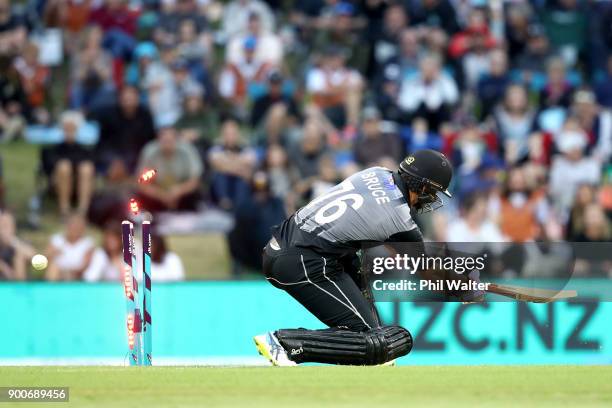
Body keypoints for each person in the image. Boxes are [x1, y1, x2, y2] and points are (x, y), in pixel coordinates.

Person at [253, 149, 479, 366]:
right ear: (421, 186)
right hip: (303, 260)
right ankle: (285, 344)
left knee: (376, 335)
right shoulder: (399, 218)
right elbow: (425, 269)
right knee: (367, 338)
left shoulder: (376, 172)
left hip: (289, 245)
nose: (431, 200)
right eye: (432, 193)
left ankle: (374, 352)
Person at [136, 126, 204, 212]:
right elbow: (142, 183)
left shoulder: (187, 150)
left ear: (177, 140)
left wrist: (179, 191)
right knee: (140, 197)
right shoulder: (149, 151)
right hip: (158, 193)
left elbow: (195, 180)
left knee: (196, 194)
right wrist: (161, 195)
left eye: (170, 141)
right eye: (164, 141)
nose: (167, 144)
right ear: (158, 140)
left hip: (182, 192)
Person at [47, 111, 95, 216]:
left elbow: (90, 164)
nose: (69, 132)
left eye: (72, 129)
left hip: (80, 180)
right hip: (58, 181)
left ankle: (83, 209)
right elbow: (49, 167)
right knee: (64, 167)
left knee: (86, 168)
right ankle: (64, 208)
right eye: (66, 129)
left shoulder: (84, 149)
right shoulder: (54, 149)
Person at [46, 213, 95, 281]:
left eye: (78, 226)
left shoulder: (87, 243)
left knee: (67, 275)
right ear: (68, 226)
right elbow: (45, 259)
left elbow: (85, 265)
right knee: (53, 268)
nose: (75, 229)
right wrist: (52, 254)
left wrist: (70, 272)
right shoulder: (57, 239)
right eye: (73, 226)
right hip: (58, 272)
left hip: (76, 275)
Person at [0, 211, 35, 280]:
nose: (4, 230)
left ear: (13, 227)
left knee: (20, 256)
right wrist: (3, 267)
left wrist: (12, 242)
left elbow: (33, 256)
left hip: (15, 278)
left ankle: (19, 288)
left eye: (6, 226)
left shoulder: (20, 241)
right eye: (2, 226)